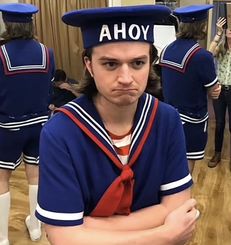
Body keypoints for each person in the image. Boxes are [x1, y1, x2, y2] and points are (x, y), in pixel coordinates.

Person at [36, 5, 200, 245]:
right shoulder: (60, 132)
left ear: (150, 62)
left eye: (137, 63)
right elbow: (63, 238)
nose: (125, 78)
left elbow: (178, 208)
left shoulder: (166, 120)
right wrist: (164, 235)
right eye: (110, 64)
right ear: (89, 65)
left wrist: (87, 226)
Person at [0, 3, 55, 245]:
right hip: (40, 125)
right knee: (36, 176)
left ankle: (2, 237)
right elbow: (49, 86)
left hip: (7, 127)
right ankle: (35, 226)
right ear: (31, 23)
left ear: (6, 23)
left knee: (1, 179)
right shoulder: (47, 52)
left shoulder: (0, 54)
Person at [159, 5, 221, 173]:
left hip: (167, 116)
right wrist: (215, 89)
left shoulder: (166, 50)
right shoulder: (202, 56)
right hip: (191, 120)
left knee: (168, 161)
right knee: (186, 167)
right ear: (202, 26)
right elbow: (214, 91)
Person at [208, 17, 231, 173]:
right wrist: (218, 33)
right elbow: (208, 54)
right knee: (218, 125)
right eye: (229, 26)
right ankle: (217, 153)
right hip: (219, 90)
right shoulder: (221, 47)